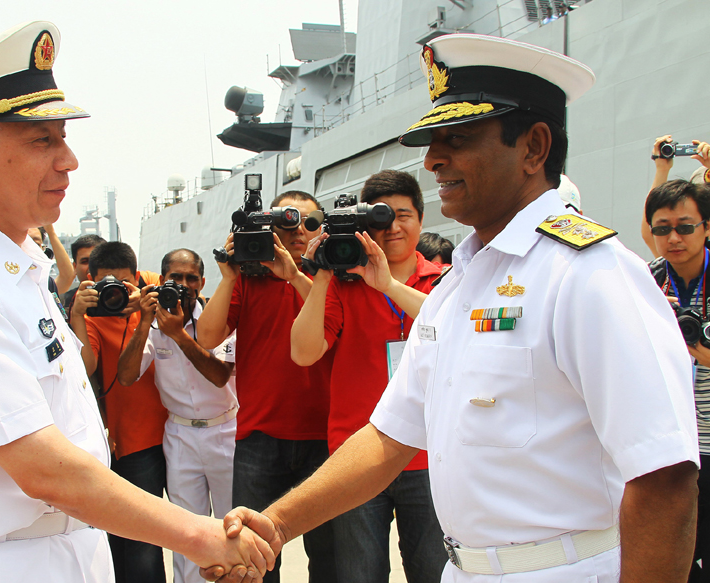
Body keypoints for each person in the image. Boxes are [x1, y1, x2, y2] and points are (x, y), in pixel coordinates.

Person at [208, 33, 700, 583]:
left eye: (457, 138)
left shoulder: (590, 275)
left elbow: (664, 478)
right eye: (432, 139)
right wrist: (276, 523)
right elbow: (388, 438)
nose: (433, 159)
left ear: (534, 148)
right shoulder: (459, 287)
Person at [0, 21, 273, 583]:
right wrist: (202, 535)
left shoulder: (14, 272)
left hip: (63, 553)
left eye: (63, 139)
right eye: (43, 141)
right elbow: (46, 472)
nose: (69, 161)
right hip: (0, 565)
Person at [290, 169, 445, 583]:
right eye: (381, 219)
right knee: (359, 575)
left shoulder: (444, 281)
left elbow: (451, 326)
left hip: (429, 455)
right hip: (355, 454)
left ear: (421, 219)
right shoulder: (345, 286)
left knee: (433, 572)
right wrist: (322, 273)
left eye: (403, 215)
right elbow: (303, 353)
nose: (392, 227)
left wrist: (388, 285)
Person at [197, 190, 338, 583]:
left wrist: (294, 275)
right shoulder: (247, 280)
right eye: (286, 223)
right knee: (252, 557)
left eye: (309, 224)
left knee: (328, 556)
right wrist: (228, 276)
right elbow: (206, 336)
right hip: (259, 434)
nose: (298, 232)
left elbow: (332, 323)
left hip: (324, 435)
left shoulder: (334, 275)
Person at [118, 248, 237, 583]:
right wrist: (145, 322)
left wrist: (178, 335)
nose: (182, 285)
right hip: (181, 437)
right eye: (175, 277)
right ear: (162, 279)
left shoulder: (221, 316)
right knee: (188, 532)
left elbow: (219, 375)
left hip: (225, 430)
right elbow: (126, 376)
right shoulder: (153, 324)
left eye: (190, 278)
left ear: (201, 282)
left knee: (232, 526)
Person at [69, 240, 169, 583]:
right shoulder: (93, 319)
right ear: (91, 279)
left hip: (178, 432)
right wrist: (77, 315)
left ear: (137, 277)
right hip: (133, 440)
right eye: (105, 283)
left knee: (181, 532)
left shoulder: (154, 296)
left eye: (124, 283)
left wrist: (148, 304)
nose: (117, 292)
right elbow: (84, 367)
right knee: (137, 542)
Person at [644, 179, 710, 581]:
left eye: (685, 227)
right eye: (662, 228)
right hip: (669, 445)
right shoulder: (646, 281)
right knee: (674, 561)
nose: (673, 237)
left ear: (706, 227)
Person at [642, 136, 710, 255]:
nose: (674, 239)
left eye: (685, 228)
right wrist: (662, 168)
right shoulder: (676, 254)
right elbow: (650, 230)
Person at [63, 234, 106, 319]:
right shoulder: (62, 303)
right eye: (85, 261)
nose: (91, 267)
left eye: (97, 260)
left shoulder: (125, 297)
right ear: (75, 267)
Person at [28, 224, 75, 297]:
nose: (30, 248)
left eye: (36, 244)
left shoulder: (46, 284)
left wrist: (51, 232)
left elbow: (67, 276)